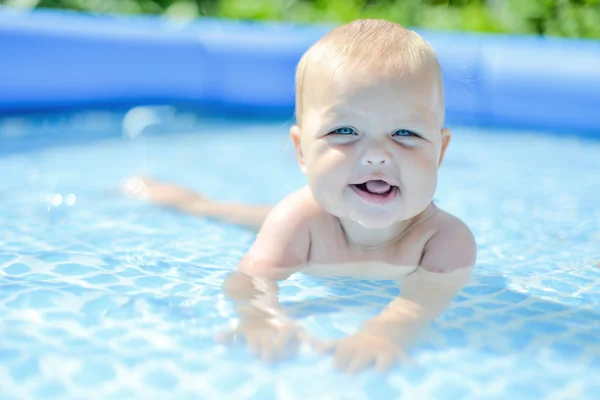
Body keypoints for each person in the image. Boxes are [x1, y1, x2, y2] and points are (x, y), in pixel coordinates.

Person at [124, 19, 476, 374]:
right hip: (296, 221)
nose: (376, 155)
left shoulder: (445, 240)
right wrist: (262, 318)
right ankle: (163, 192)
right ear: (302, 152)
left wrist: (383, 334)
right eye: (344, 131)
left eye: (404, 133)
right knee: (221, 211)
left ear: (440, 152)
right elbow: (251, 280)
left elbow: (423, 300)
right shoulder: (297, 220)